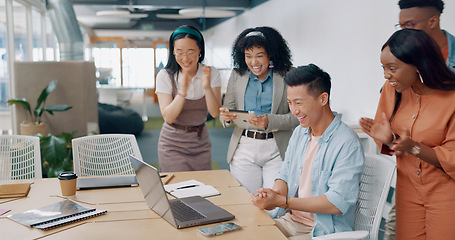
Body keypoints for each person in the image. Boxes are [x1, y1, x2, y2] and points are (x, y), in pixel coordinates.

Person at [359, 29, 455, 239]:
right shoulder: (392, 89)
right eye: (383, 68)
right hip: (408, 189)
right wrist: (391, 140)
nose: (386, 75)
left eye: (392, 68)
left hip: (446, 193)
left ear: (419, 65)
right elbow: (392, 138)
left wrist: (413, 147)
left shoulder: (452, 97)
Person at [251, 64, 365, 239]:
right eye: (290, 103)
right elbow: (285, 173)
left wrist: (282, 201)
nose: (294, 111)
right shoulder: (300, 133)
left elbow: (336, 202)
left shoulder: (347, 143)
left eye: (299, 102)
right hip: (291, 220)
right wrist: (275, 195)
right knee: (247, 232)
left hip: (322, 231)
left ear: (323, 99)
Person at [219, 26, 299, 193]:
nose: (253, 62)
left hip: (278, 147)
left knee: (275, 203)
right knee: (245, 201)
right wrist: (225, 117)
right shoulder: (237, 75)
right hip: (244, 147)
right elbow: (228, 107)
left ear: (270, 54)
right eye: (248, 56)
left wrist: (270, 121)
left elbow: (297, 116)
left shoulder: (289, 75)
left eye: (259, 56)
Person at [155, 25, 221, 172]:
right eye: (179, 52)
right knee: (177, 190)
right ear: (173, 52)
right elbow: (168, 117)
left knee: (203, 189)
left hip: (200, 142)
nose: (185, 58)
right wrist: (182, 92)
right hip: (172, 144)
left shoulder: (211, 73)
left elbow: (215, 113)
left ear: (200, 51)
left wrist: (207, 87)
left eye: (190, 52)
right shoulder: (165, 76)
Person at [397, 0, 455, 72]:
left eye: (409, 25)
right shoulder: (403, 55)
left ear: (433, 22)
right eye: (401, 26)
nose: (403, 32)